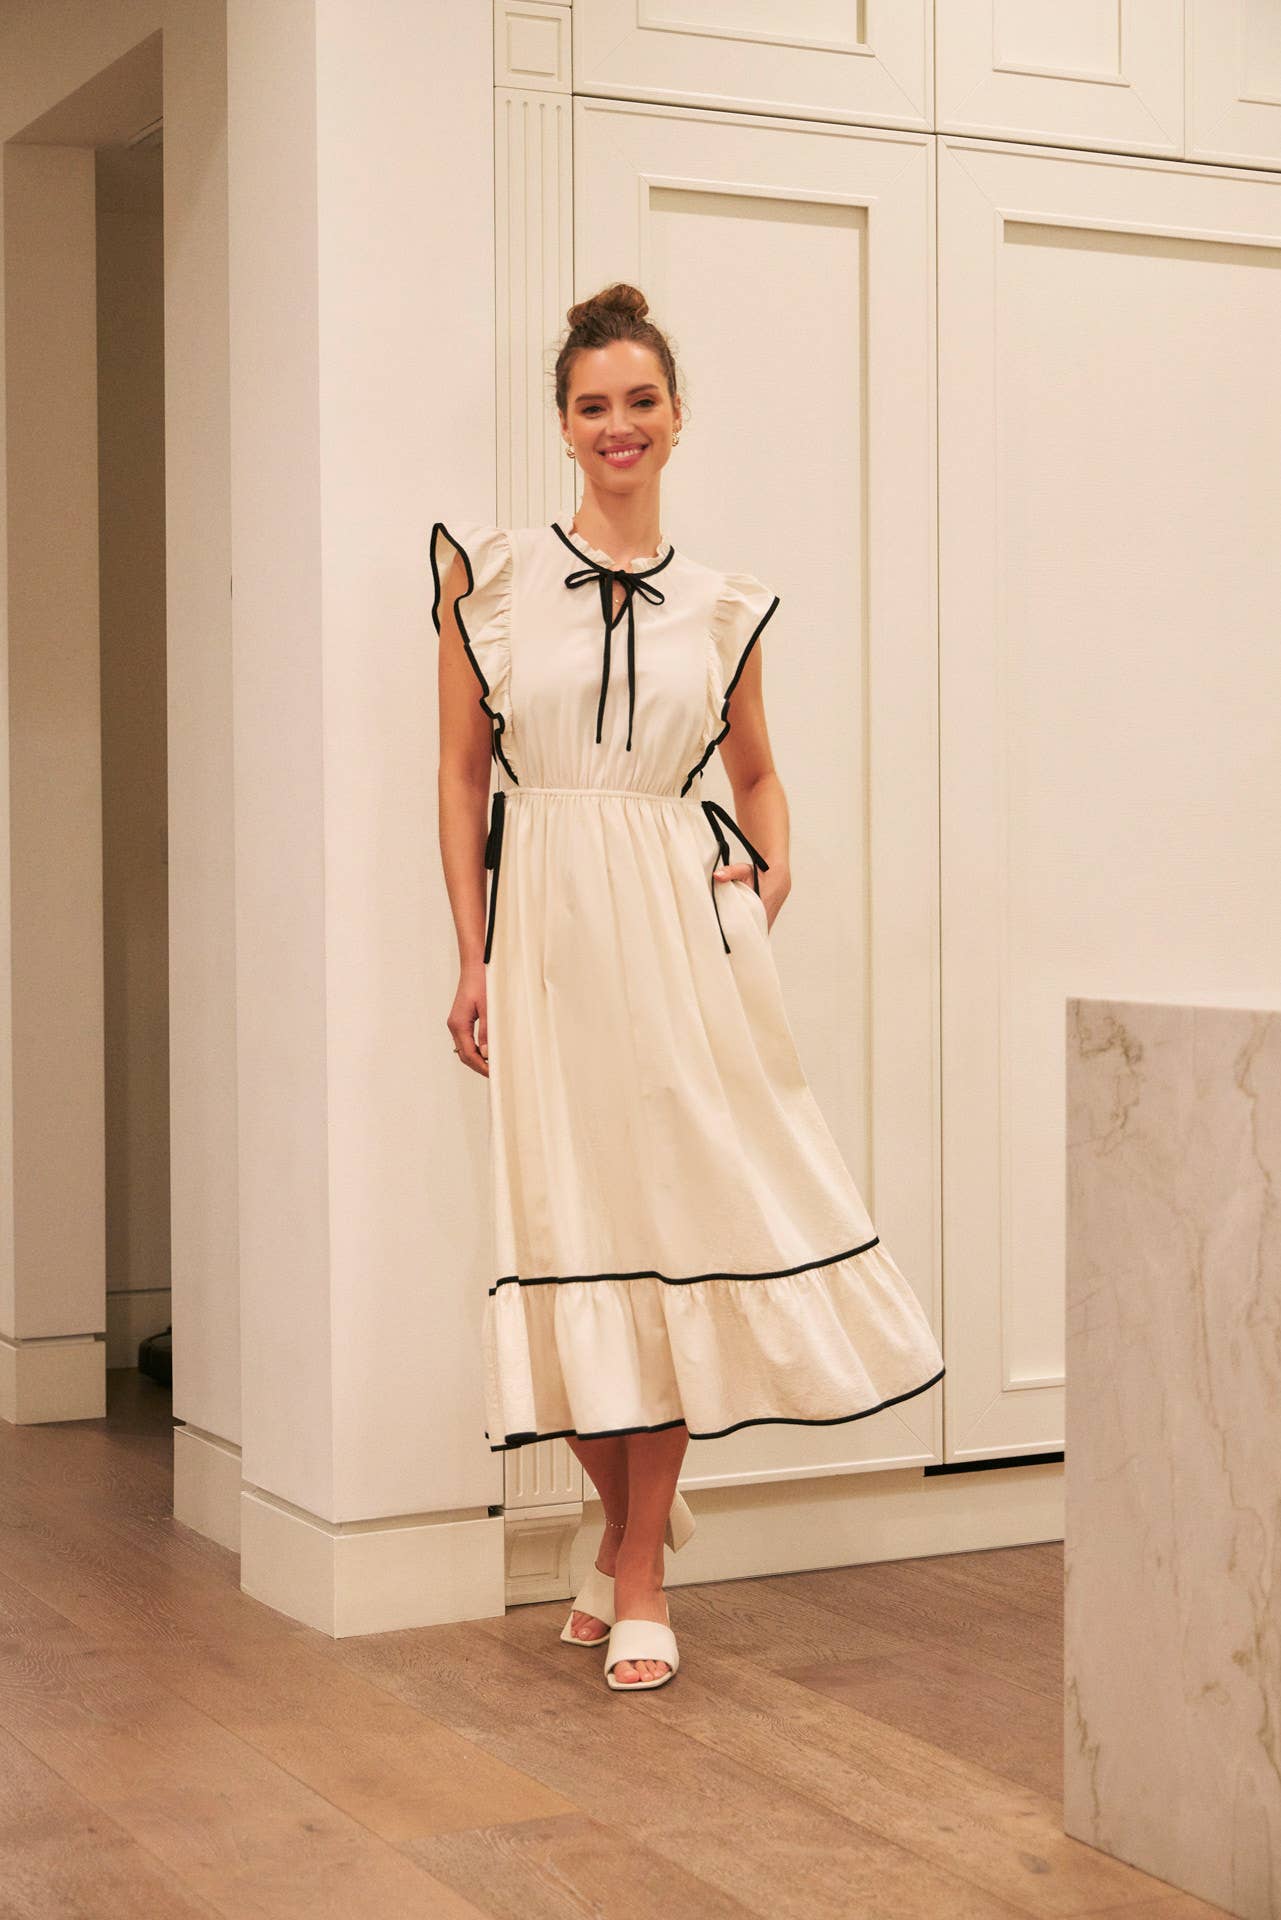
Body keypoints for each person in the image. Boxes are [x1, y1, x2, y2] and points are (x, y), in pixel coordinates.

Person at [433, 283, 945, 1693]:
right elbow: (462, 776)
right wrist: (470, 955)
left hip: (674, 935)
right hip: (542, 933)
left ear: (675, 418)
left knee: (668, 1231)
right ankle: (619, 1532)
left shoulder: (723, 607)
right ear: (561, 423)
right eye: (593, 404)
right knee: (567, 1232)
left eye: (641, 402)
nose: (619, 425)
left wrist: (763, 882)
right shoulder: (491, 583)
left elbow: (759, 776)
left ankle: (641, 1569)